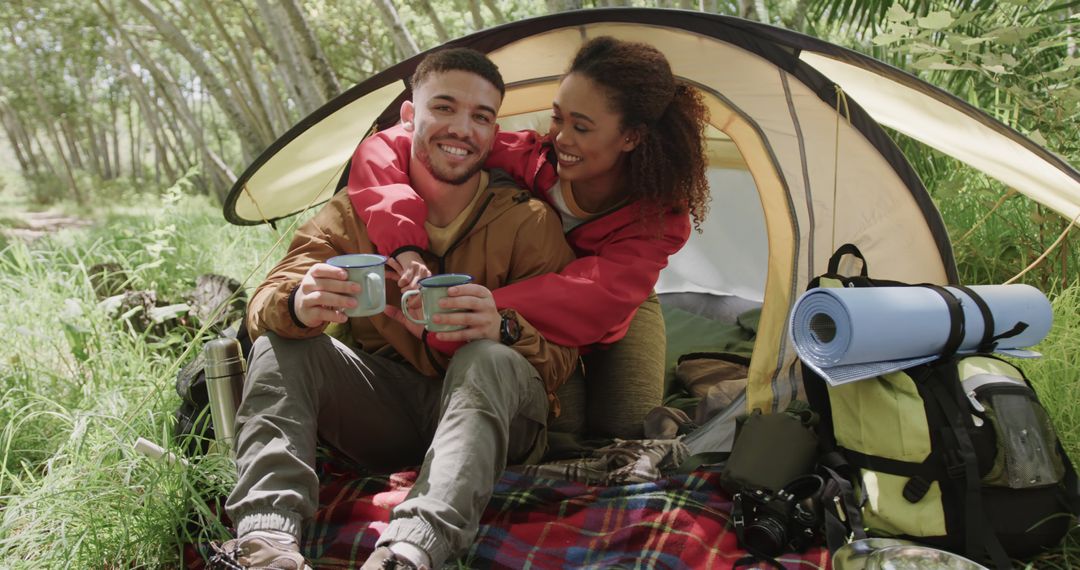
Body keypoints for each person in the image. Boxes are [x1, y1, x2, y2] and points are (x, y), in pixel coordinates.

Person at [215, 48, 578, 570]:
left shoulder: (527, 222)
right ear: (410, 117)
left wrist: (502, 328)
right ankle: (265, 542)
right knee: (283, 343)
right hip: (391, 408)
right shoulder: (351, 214)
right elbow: (264, 304)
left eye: (481, 117)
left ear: (494, 132)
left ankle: (408, 553)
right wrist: (299, 302)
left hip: (499, 417)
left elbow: (565, 357)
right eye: (445, 108)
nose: (462, 129)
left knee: (487, 359)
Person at [347, 36, 712, 440]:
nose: (561, 138)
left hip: (612, 309)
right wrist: (404, 242)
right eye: (558, 117)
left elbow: (591, 298)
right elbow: (385, 146)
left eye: (581, 127)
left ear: (631, 137)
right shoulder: (527, 159)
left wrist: (473, 309)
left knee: (624, 429)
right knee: (561, 428)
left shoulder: (658, 217)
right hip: (525, 312)